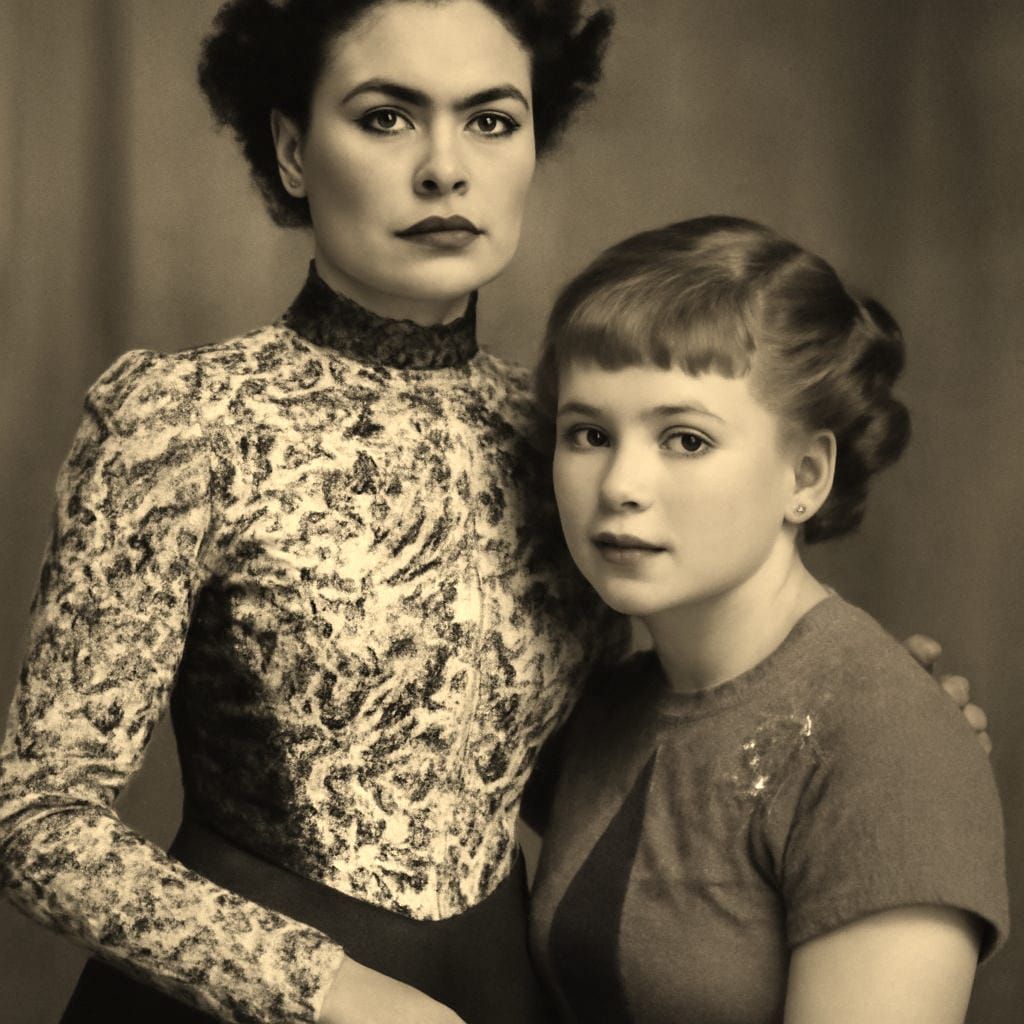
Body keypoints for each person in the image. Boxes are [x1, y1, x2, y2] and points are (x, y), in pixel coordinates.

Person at [0, 3, 987, 1023]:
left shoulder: (565, 435)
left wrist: (852, 731)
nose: (445, 169)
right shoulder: (182, 420)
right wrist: (329, 991)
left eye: (490, 120)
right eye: (387, 118)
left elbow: (599, 762)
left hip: (503, 991)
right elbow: (35, 819)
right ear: (293, 150)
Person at [526, 216, 1009, 1024]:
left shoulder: (890, 740)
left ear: (806, 476)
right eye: (590, 434)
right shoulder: (605, 702)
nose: (620, 484)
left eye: (684, 438)